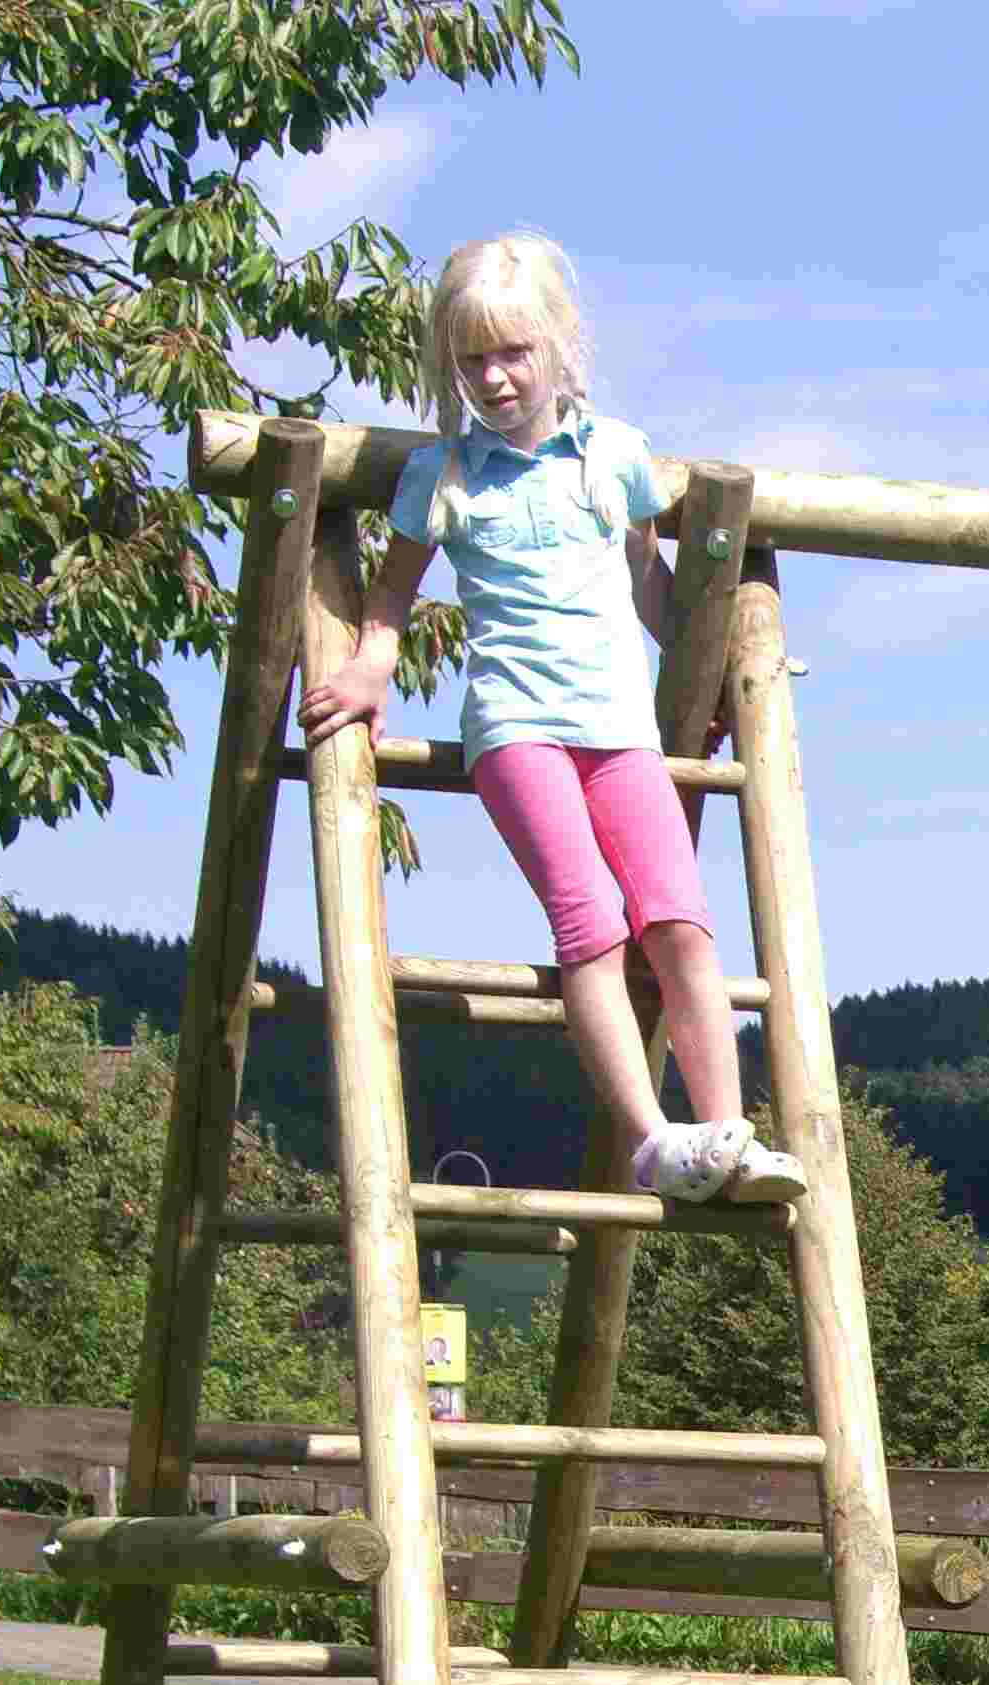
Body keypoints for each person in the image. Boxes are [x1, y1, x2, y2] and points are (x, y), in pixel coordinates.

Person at [295, 230, 801, 1206]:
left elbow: (648, 581)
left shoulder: (613, 456)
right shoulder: (445, 474)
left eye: (512, 353)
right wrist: (368, 667)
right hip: (517, 728)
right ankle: (652, 1141)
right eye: (472, 358)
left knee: (681, 922)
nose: (493, 377)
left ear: (559, 345)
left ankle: (725, 1135)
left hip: (620, 727)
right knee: (593, 924)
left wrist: (708, 685)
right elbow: (394, 593)